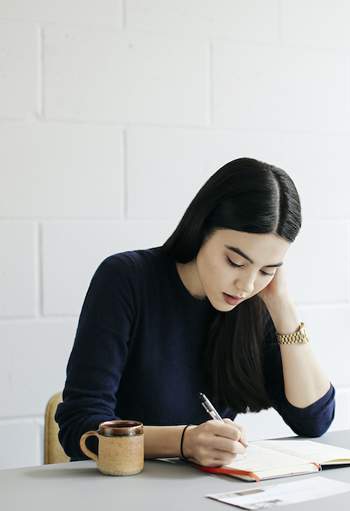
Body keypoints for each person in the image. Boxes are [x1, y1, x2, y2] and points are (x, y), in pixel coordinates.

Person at [55, 157, 335, 467]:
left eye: (268, 270)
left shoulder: (254, 300)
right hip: (120, 493)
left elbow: (314, 420)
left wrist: (283, 307)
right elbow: (80, 429)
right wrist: (185, 441)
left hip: (207, 498)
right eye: (235, 262)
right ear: (202, 229)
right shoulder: (126, 279)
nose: (246, 285)